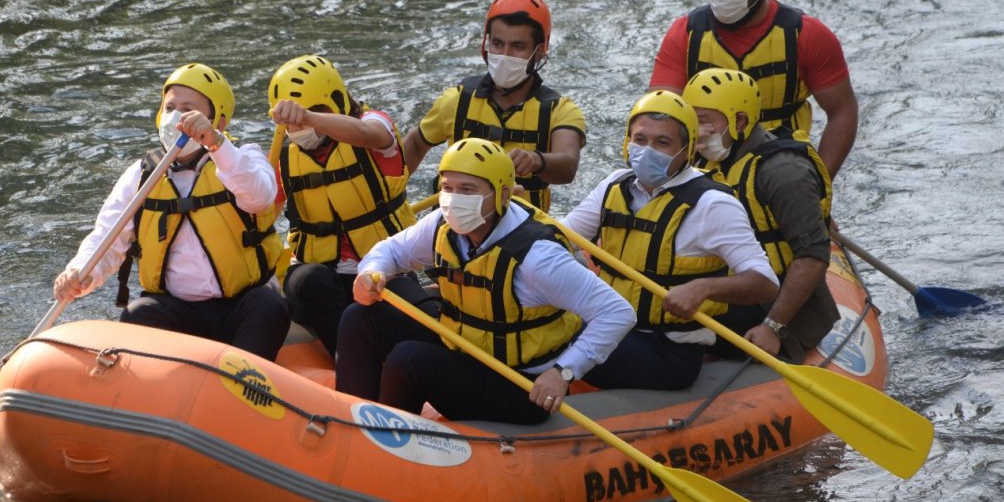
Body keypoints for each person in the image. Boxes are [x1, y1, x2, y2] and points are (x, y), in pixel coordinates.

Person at [334, 138, 636, 425]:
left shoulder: (538, 257)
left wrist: (563, 372)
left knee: (407, 360)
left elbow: (617, 313)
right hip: (466, 348)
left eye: (468, 189)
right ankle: (349, 418)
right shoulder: (443, 223)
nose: (454, 199)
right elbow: (392, 250)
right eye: (447, 188)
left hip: (518, 384)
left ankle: (386, 445)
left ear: (503, 195)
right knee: (359, 316)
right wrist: (372, 272)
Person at [53, 63, 290, 361]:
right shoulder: (141, 176)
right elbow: (107, 238)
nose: (177, 116)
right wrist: (80, 272)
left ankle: (243, 386)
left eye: (189, 108)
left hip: (240, 306)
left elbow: (260, 196)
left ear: (219, 119)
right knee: (137, 314)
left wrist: (217, 144)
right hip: (176, 311)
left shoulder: (242, 157)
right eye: (170, 107)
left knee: (269, 306)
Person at [560, 90, 779, 389]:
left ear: (686, 150)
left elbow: (765, 283)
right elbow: (557, 241)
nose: (647, 150)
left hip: (667, 352)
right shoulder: (615, 185)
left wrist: (703, 288)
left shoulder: (712, 204)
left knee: (556, 332)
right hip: (613, 326)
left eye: (662, 143)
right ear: (628, 141)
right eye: (640, 140)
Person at [648, 0, 858, 178]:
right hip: (700, 172)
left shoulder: (807, 36)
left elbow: (842, 112)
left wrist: (820, 184)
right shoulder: (685, 34)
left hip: (783, 173)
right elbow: (659, 116)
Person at [267, 54, 426, 357]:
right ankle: (350, 359)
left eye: (315, 111)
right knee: (308, 279)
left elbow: (370, 135)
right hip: (318, 277)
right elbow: (262, 218)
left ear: (337, 101)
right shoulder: (284, 156)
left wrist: (308, 117)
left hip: (380, 271)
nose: (300, 125)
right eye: (292, 120)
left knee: (417, 321)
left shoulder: (373, 123)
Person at [683, 68, 838, 361]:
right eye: (691, 120)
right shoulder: (705, 156)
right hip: (731, 286)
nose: (697, 131)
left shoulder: (785, 173)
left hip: (773, 304)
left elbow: (813, 255)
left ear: (739, 121)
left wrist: (773, 326)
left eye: (704, 121)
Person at [401, 0, 585, 211]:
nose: (505, 54)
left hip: (522, 227)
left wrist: (537, 160)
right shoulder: (456, 101)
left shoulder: (560, 110)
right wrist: (390, 195)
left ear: (539, 52)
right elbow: (414, 146)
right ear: (486, 43)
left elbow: (568, 165)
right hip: (453, 222)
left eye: (518, 46)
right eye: (497, 43)